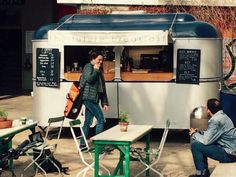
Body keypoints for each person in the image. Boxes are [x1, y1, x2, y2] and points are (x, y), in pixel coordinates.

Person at [189, 98, 236, 177]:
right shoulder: (223, 116)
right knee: (198, 141)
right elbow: (214, 134)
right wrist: (200, 132)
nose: (205, 109)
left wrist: (194, 134)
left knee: (195, 145)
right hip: (232, 150)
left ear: (209, 110)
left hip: (229, 155)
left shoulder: (215, 120)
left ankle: (201, 174)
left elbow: (206, 141)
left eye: (206, 107)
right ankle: (204, 172)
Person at [79, 49, 109, 150]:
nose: (100, 62)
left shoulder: (99, 70)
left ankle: (82, 145)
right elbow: (89, 79)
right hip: (88, 98)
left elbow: (102, 87)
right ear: (93, 58)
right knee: (101, 119)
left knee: (87, 122)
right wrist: (96, 70)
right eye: (98, 59)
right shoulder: (88, 67)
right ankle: (99, 146)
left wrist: (104, 102)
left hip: (93, 99)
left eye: (102, 60)